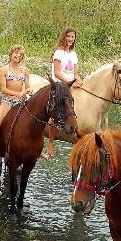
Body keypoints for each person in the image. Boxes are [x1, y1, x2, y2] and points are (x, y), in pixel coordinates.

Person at [43, 27, 83, 159]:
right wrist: (69, 82)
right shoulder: (59, 53)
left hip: (69, 83)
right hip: (59, 84)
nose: (71, 39)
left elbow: (75, 73)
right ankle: (50, 141)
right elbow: (57, 72)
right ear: (64, 37)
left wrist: (79, 81)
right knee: (58, 107)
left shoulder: (73, 54)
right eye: (69, 36)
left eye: (73, 37)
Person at [0, 45, 29, 168]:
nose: (18, 56)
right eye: (16, 53)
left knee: (32, 122)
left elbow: (27, 86)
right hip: (7, 102)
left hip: (20, 102)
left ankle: (36, 150)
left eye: (21, 55)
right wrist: (17, 93)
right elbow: (4, 89)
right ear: (11, 54)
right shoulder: (4, 69)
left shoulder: (25, 71)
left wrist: (28, 91)